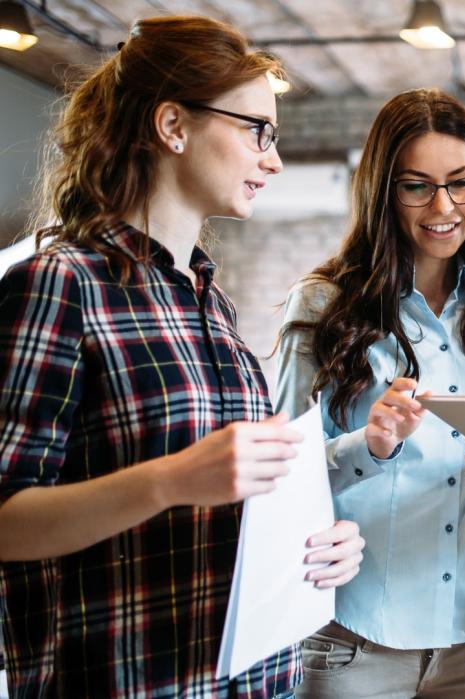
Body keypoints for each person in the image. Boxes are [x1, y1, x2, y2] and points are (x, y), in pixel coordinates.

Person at [0, 16, 365, 698]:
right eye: (258, 129)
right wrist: (166, 479)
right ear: (173, 126)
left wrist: (318, 540)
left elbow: (230, 500)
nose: (273, 158)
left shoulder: (211, 304)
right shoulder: (61, 284)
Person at [273, 88, 465, 698]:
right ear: (383, 192)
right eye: (417, 185)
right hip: (352, 636)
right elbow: (280, 480)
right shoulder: (322, 307)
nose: (443, 205)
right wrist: (368, 445)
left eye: (460, 182)